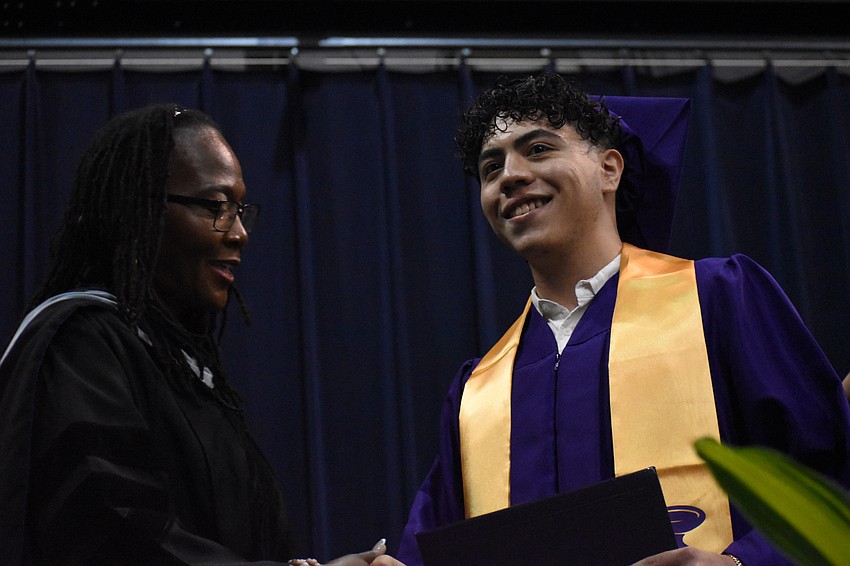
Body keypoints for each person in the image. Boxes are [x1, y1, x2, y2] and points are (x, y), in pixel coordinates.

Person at [396, 73, 850, 565]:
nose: (510, 175)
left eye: (539, 149)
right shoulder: (478, 391)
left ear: (610, 169)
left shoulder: (717, 298)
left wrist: (744, 563)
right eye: (491, 168)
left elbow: (831, 478)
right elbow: (427, 552)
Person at [0, 104, 404, 566]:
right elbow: (117, 537)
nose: (239, 233)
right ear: (140, 210)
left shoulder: (178, 365)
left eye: (240, 210)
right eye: (216, 207)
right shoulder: (78, 346)